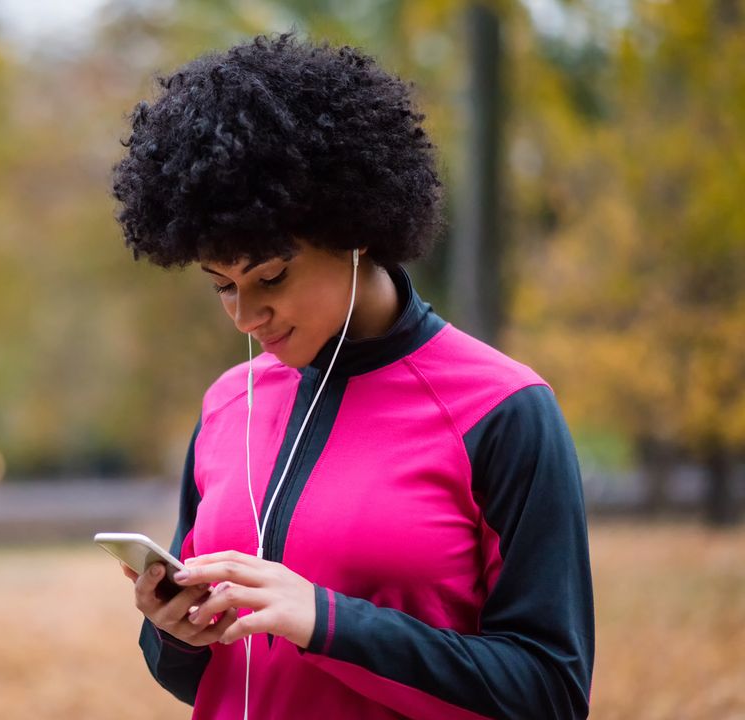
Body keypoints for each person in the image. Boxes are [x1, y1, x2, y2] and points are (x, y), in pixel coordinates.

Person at [109, 34, 594, 719]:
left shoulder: (503, 410)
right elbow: (211, 682)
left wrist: (327, 623)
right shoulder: (227, 406)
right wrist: (175, 633)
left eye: (271, 276)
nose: (247, 315)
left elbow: (550, 693)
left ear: (356, 228)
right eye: (222, 285)